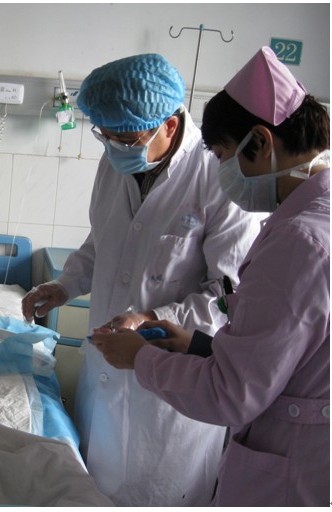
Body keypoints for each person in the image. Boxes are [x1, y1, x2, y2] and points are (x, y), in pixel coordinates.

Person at [21, 54, 266, 506]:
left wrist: (152, 317)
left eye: (126, 139)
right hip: (106, 374)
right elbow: (103, 241)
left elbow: (228, 294)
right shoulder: (116, 161)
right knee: (94, 491)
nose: (114, 147)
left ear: (169, 126)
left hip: (171, 391)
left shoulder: (219, 176)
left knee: (163, 494)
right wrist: (65, 285)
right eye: (106, 136)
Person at [95, 46, 329, 506]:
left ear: (260, 142)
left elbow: (232, 393)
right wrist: (199, 345)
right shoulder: (313, 217)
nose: (222, 169)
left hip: (295, 465)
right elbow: (288, 351)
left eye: (223, 155)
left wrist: (139, 358)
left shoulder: (298, 242)